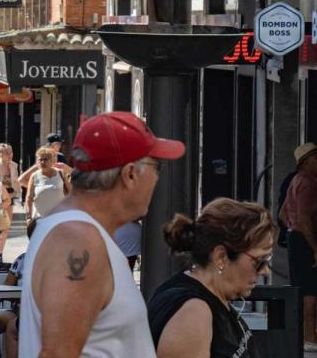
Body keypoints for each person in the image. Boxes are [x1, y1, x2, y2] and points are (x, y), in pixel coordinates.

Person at [20, 111, 185, 357]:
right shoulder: (77, 239)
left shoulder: (75, 230)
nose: (158, 177)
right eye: (156, 166)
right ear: (130, 174)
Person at [148, 198, 275, 358]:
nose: (265, 271)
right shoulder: (193, 314)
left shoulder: (206, 298)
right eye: (258, 261)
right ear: (221, 257)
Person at [281, 141, 317, 351]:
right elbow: (304, 218)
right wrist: (314, 247)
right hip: (305, 239)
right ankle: (311, 337)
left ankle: (307, 336)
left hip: (296, 238)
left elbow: (283, 214)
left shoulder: (295, 180)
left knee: (303, 287)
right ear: (307, 162)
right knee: (310, 290)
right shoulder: (309, 183)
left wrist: (292, 230)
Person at [0, 218, 38, 358]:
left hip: (37, 313)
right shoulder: (22, 260)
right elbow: (5, 289)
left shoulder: (54, 259)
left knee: (13, 326)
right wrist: (21, 297)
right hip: (19, 310)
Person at [25, 146, 70, 220]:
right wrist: (29, 216)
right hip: (40, 218)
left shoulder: (61, 174)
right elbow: (29, 198)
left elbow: (70, 193)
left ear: (52, 161)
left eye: (45, 159)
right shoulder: (34, 176)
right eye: (40, 160)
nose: (42, 162)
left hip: (59, 218)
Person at [0, 143, 20, 250]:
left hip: (10, 198)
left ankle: (0, 252)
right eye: (7, 153)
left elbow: (16, 182)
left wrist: (17, 194)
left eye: (11, 152)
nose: (10, 155)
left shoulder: (14, 165)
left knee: (6, 227)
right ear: (0, 154)